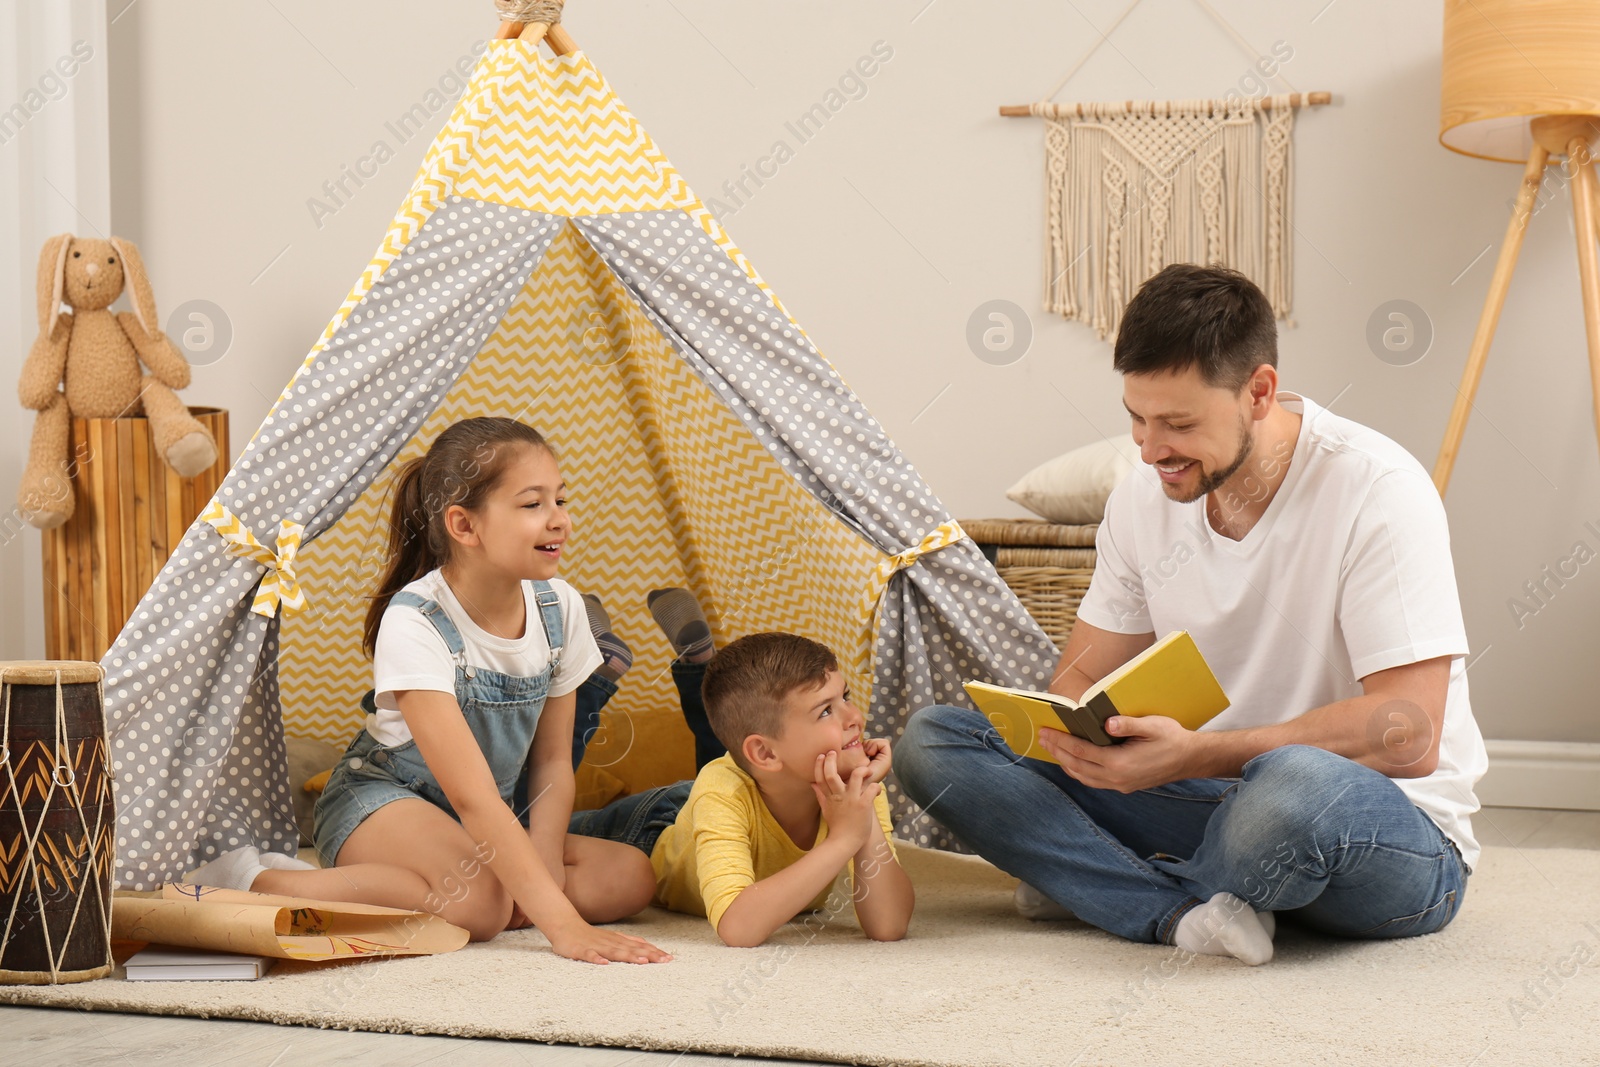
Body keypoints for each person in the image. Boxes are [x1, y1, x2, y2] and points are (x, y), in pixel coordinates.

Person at [895, 263, 1487, 966]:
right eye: (1137, 420)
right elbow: (1078, 679)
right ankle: (1180, 913)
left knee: (1289, 791)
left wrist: (1198, 751)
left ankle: (1099, 882)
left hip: (1380, 828)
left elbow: (1407, 733)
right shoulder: (1143, 500)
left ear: (1259, 391)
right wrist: (1064, 739)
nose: (1149, 451)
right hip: (1209, 799)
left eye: (1177, 423)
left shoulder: (1376, 490)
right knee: (935, 743)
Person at [186, 417, 671, 965]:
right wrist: (560, 922)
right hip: (383, 801)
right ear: (465, 526)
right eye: (533, 504)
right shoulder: (416, 620)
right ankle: (256, 876)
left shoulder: (562, 609)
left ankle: (453, 882)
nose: (559, 520)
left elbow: (556, 760)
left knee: (630, 876)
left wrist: (545, 864)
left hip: (487, 819)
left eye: (561, 500)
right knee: (484, 906)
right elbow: (470, 795)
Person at [571, 631, 915, 947]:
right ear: (765, 752)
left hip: (716, 804)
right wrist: (843, 839)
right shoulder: (722, 790)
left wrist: (862, 812)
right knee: (546, 835)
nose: (853, 716)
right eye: (826, 711)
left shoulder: (855, 784)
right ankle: (585, 672)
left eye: (845, 697)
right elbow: (738, 928)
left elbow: (889, 925)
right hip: (652, 829)